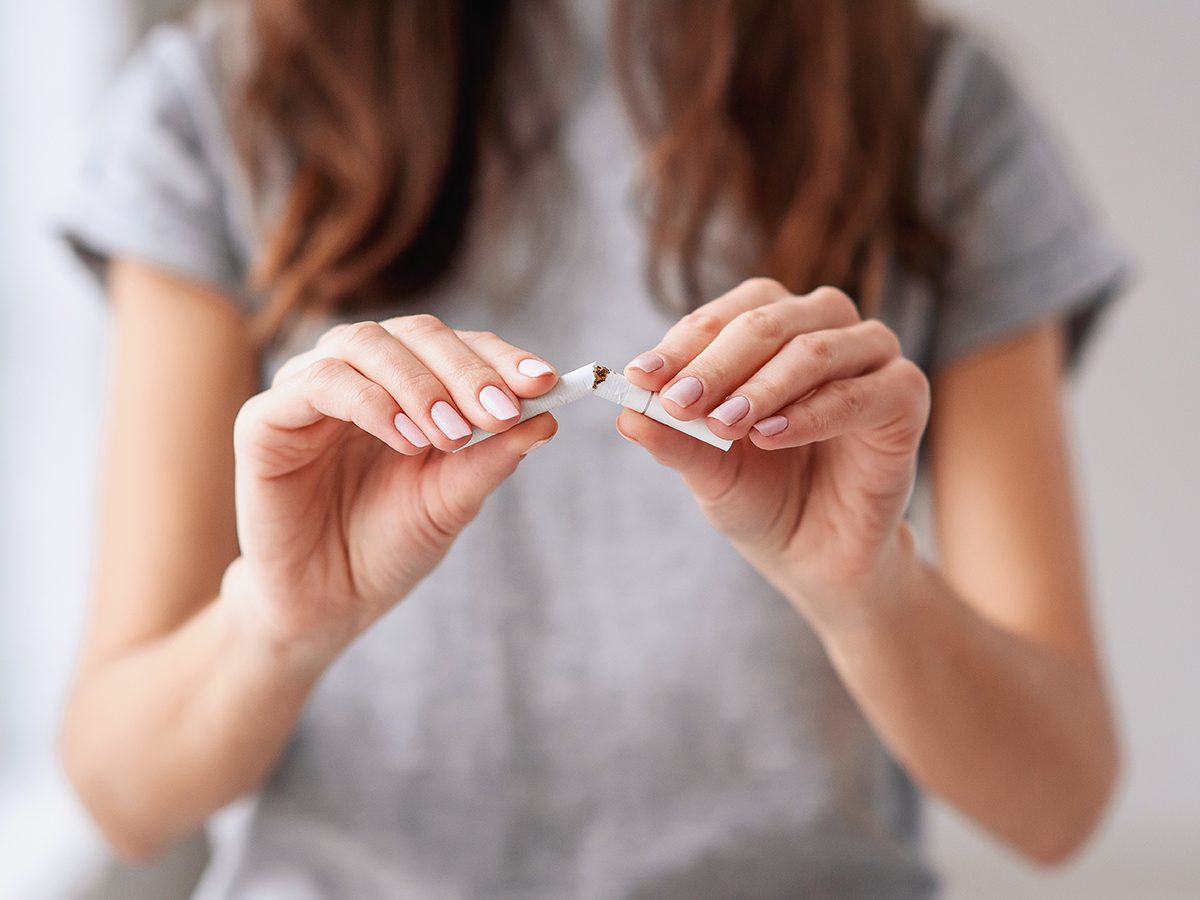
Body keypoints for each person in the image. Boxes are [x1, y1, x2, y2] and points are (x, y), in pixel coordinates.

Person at [59, 0, 1126, 896]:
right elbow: (120, 787)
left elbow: (1058, 796)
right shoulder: (224, 96)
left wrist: (868, 590)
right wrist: (276, 625)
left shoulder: (931, 105)